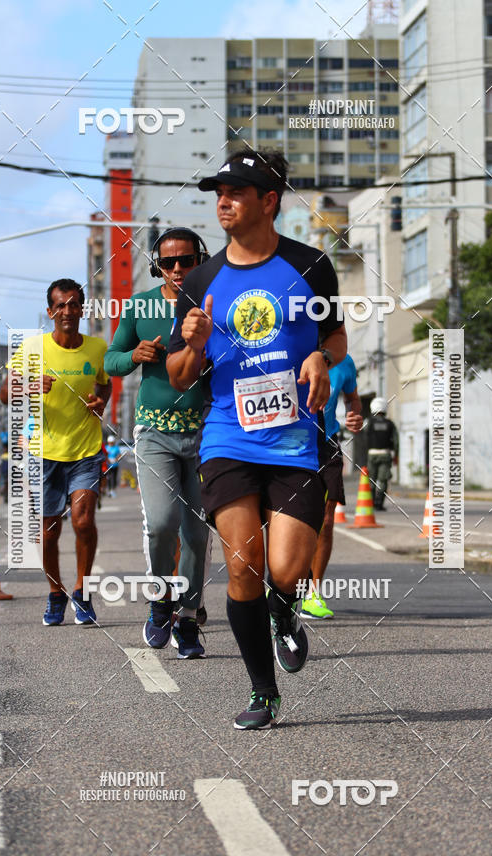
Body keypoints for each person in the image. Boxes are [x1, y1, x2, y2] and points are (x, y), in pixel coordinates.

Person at [167, 148, 347, 729]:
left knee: (286, 571)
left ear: (269, 202)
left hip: (296, 439)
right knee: (243, 565)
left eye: (237, 191)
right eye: (219, 191)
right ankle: (262, 691)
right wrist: (192, 343)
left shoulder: (312, 265)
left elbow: (337, 338)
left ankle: (286, 612)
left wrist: (320, 354)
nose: (223, 200)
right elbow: (179, 376)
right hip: (227, 437)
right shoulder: (200, 278)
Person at [104, 227, 212, 659]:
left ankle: (187, 620)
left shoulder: (214, 301)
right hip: (154, 434)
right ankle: (160, 600)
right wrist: (134, 357)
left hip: (206, 432)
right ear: (157, 266)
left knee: (198, 534)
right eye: (169, 263)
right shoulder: (140, 305)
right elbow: (111, 361)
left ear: (199, 260)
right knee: (163, 523)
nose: (178, 270)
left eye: (186, 260)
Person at [0, 278, 111, 626]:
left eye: (74, 304)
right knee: (49, 530)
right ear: (50, 311)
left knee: (83, 520)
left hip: (85, 449)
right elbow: (5, 393)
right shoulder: (33, 348)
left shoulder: (97, 348)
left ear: (83, 309)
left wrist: (100, 402)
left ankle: (82, 591)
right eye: (60, 305)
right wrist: (31, 384)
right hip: (44, 452)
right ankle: (55, 592)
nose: (67, 310)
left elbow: (104, 385)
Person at [303, 353, 363, 619]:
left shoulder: (344, 362)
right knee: (289, 518)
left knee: (326, 521)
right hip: (290, 442)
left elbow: (353, 398)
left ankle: (313, 594)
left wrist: (354, 416)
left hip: (328, 442)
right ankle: (283, 586)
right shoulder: (294, 345)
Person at [366, 397, 399, 510]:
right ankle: (379, 503)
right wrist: (396, 456)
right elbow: (396, 441)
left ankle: (370, 502)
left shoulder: (368, 422)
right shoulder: (390, 423)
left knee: (371, 479)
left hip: (372, 455)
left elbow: (363, 437)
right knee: (383, 480)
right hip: (385, 454)